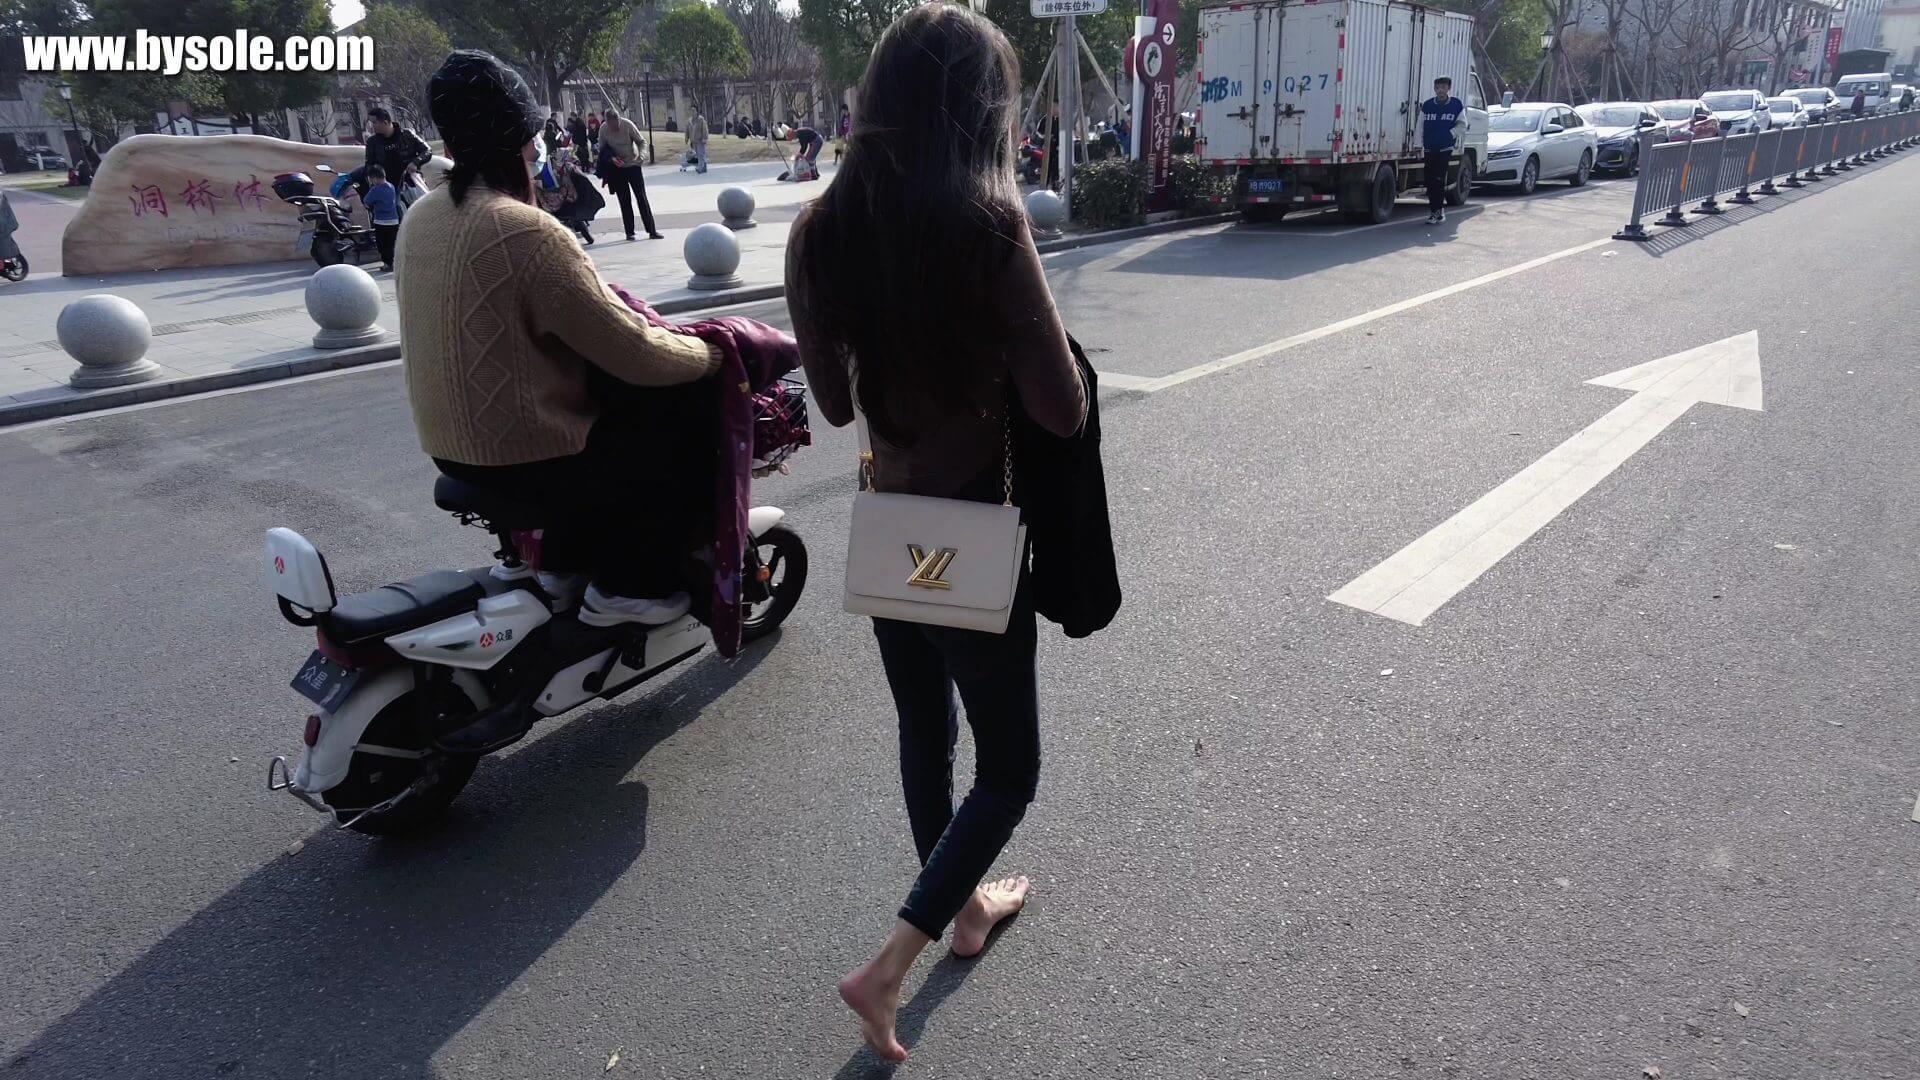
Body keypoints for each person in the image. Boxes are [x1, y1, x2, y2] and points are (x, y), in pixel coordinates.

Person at [785, 4, 1086, 1065]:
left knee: (926, 728)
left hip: (887, 521)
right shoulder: (989, 226)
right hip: (969, 532)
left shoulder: (818, 229)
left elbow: (832, 405)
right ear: (980, 110)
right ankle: (888, 968)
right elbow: (1061, 411)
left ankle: (962, 911)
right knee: (1009, 771)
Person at [399, 49, 722, 657]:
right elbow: (633, 351)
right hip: (519, 456)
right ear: (523, 137)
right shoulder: (526, 231)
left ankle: (563, 566)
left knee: (597, 421)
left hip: (447, 447)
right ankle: (628, 587)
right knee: (673, 419)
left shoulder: (421, 216)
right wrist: (709, 357)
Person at [597, 105, 664, 241]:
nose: (614, 128)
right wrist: (612, 158)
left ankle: (651, 230)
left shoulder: (627, 125)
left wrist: (641, 156)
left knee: (641, 197)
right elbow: (602, 149)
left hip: (633, 165)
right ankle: (629, 231)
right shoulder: (603, 129)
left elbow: (642, 142)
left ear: (619, 120)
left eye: (615, 125)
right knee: (624, 200)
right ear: (607, 122)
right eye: (611, 125)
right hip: (617, 168)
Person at [363, 106, 432, 211]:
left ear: (385, 122)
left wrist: (415, 162)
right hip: (387, 186)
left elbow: (427, 150)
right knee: (396, 211)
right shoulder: (372, 142)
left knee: (422, 209)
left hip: (410, 182)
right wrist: (373, 176)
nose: (372, 126)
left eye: (374, 123)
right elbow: (369, 163)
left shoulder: (407, 135)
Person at [1420, 76, 1465, 225]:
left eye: (1444, 87)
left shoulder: (1456, 105)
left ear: (1448, 88)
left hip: (1445, 148)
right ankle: (1435, 211)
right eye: (1438, 87)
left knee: (1439, 179)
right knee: (1429, 181)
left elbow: (1462, 125)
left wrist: (1450, 135)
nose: (1441, 90)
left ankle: (1437, 211)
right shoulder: (1427, 105)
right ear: (1435, 88)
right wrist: (1418, 145)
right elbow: (1420, 125)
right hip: (1429, 148)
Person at [363, 164, 402, 272]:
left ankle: (387, 264)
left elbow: (366, 201)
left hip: (381, 222)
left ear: (374, 178)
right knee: (392, 244)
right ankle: (395, 263)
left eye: (371, 179)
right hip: (394, 221)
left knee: (382, 245)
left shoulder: (375, 190)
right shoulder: (391, 187)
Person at [688, 107, 710, 174]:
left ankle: (700, 168)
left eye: (694, 110)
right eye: (691, 110)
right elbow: (688, 129)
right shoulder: (690, 120)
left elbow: (705, 129)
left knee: (701, 155)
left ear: (697, 111)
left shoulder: (701, 119)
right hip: (694, 141)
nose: (692, 112)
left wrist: (704, 138)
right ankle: (703, 167)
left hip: (700, 140)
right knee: (698, 155)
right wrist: (687, 137)